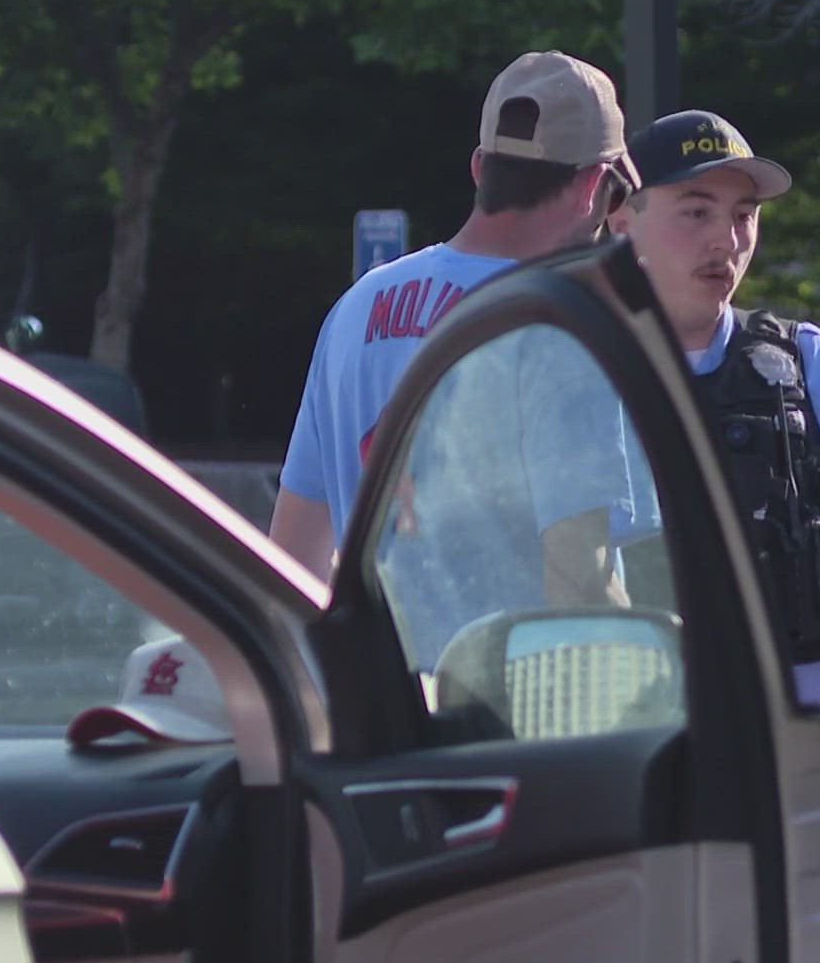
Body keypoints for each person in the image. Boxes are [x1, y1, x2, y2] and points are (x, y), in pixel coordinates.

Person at [270, 49, 640, 581]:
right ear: (592, 188)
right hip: (508, 663)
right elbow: (585, 580)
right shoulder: (565, 322)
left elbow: (293, 555)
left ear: (479, 167)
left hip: (377, 661)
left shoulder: (358, 305)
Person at [606, 109, 820, 711]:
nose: (726, 240)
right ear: (623, 222)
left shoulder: (819, 368)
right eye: (696, 212)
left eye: (743, 216)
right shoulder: (580, 375)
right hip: (651, 736)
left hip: (819, 739)